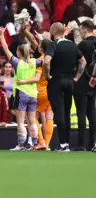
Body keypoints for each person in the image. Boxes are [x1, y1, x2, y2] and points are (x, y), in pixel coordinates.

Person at [43, 22, 86, 151]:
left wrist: (47, 74)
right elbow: (83, 61)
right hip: (70, 81)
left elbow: (46, 61)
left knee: (59, 112)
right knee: (66, 112)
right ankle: (66, 142)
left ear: (53, 31)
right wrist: (77, 77)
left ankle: (62, 144)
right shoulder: (73, 45)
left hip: (56, 81)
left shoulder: (53, 45)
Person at [0, 28, 42, 150]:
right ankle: (34, 143)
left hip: (21, 93)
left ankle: (21, 144)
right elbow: (45, 60)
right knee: (32, 121)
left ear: (19, 53)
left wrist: (1, 35)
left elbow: (6, 50)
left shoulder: (17, 63)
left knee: (21, 121)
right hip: (33, 95)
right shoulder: (34, 62)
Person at [76, 20, 96, 151]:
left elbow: (76, 61)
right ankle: (92, 143)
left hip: (83, 80)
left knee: (81, 113)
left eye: (79, 30)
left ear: (84, 29)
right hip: (93, 82)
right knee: (92, 113)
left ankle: (81, 144)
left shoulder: (83, 44)